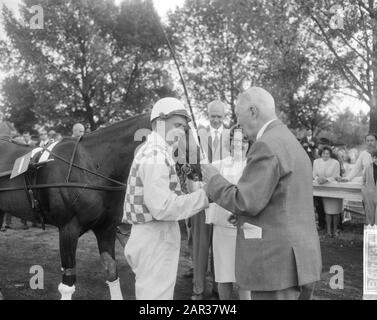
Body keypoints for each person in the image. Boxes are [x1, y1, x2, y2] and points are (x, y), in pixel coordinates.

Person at [201, 87, 322, 300]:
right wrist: (242, 216)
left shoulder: (265, 145)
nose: (238, 124)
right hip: (301, 261)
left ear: (253, 112)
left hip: (276, 267)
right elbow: (283, 198)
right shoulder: (290, 141)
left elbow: (244, 201)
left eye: (239, 116)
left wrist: (212, 178)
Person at [123, 97, 210, 300]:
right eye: (177, 125)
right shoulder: (154, 155)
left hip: (154, 236)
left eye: (184, 127)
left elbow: (169, 196)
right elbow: (162, 207)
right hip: (155, 238)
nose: (181, 131)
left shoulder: (159, 152)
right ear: (158, 123)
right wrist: (205, 196)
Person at [206, 125, 251, 300]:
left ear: (249, 143)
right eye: (235, 140)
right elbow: (203, 177)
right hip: (223, 229)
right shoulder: (218, 165)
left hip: (247, 229)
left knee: (245, 278)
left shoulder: (254, 167)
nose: (239, 144)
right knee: (223, 276)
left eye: (243, 140)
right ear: (230, 142)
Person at [189, 100, 227, 300]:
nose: (215, 120)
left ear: (224, 117)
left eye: (219, 116)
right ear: (208, 114)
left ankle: (219, 287)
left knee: (220, 245)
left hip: (222, 198)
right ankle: (198, 289)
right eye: (213, 116)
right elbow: (190, 167)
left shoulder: (232, 138)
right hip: (201, 196)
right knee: (200, 245)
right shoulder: (197, 136)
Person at [313, 146, 342, 238]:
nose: (325, 155)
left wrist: (326, 180)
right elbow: (314, 174)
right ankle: (328, 230)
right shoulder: (316, 162)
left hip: (333, 187)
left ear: (330, 154)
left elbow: (336, 175)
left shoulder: (335, 162)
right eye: (323, 153)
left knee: (336, 210)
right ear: (320, 154)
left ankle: (335, 230)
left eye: (327, 153)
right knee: (327, 210)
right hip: (321, 188)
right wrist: (318, 179)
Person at [362, 150, 377, 226]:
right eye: (375, 157)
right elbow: (364, 180)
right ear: (372, 158)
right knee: (370, 213)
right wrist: (365, 191)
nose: (376, 159)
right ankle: (371, 231)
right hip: (370, 194)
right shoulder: (368, 167)